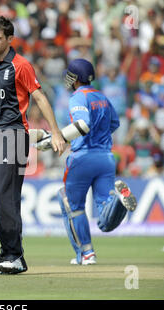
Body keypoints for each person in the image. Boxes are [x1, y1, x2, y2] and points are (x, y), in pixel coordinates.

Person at [0, 16, 66, 275]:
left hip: (15, 134)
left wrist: (55, 133)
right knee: (0, 197)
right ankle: (6, 253)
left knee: (6, 196)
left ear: (10, 39)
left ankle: (14, 256)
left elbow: (40, 98)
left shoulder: (21, 66)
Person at [41, 58, 137, 265]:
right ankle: (118, 202)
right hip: (106, 158)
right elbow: (114, 122)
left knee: (70, 202)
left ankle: (86, 253)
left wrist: (57, 139)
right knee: (104, 216)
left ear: (75, 78)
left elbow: (82, 124)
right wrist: (99, 137)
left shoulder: (77, 97)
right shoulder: (102, 96)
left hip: (83, 157)